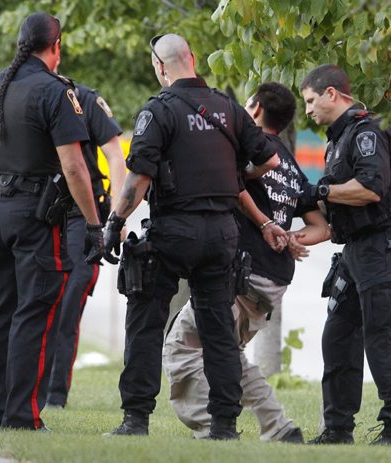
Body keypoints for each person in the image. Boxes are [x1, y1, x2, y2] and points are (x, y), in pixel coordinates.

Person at [102, 33, 281, 439]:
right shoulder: (230, 109)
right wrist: (235, 178)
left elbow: (139, 179)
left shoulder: (158, 111)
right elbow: (268, 158)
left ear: (160, 67)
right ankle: (224, 424)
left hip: (173, 230)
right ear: (194, 59)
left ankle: (136, 420)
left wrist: (113, 224)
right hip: (221, 233)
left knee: (146, 320)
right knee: (218, 330)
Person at [162, 82, 330, 443]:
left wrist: (267, 225)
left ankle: (213, 427)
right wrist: (289, 237)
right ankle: (278, 426)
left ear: (253, 109)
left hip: (243, 272)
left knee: (182, 345)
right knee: (227, 351)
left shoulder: (247, 149)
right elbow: (321, 226)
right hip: (274, 277)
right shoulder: (287, 161)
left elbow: (231, 185)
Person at [0, 12, 104, 430]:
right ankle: (21, 417)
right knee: (33, 312)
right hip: (37, 216)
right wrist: (94, 224)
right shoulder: (55, 92)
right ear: (56, 46)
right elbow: (75, 168)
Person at [299, 64, 391, 445]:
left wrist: (321, 193)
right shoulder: (338, 139)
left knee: (380, 339)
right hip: (356, 250)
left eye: (311, 101)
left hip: (385, 247)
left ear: (333, 94)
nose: (308, 111)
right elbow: (338, 210)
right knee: (337, 337)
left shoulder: (368, 130)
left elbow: (370, 189)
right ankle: (337, 429)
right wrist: (300, 233)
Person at [46, 81, 126, 408]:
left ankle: (54, 394)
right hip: (44, 210)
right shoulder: (30, 94)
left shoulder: (83, 98)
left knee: (71, 299)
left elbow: (115, 156)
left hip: (84, 211)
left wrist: (118, 217)